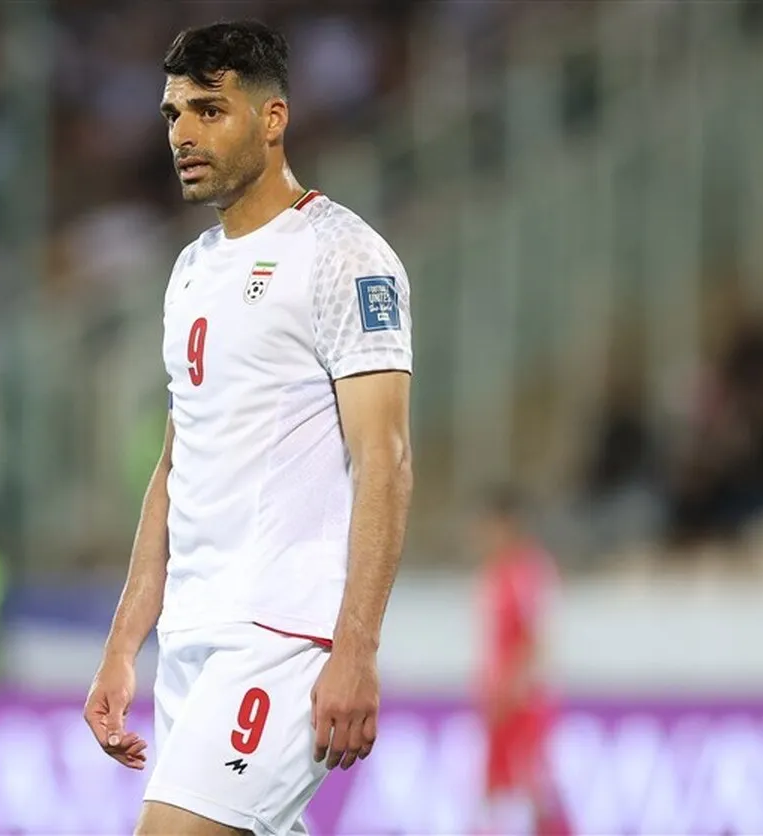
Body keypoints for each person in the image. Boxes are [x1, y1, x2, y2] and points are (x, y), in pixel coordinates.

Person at [82, 19, 414, 836]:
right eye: (173, 115)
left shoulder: (343, 256)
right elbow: (176, 465)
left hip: (282, 637)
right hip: (193, 640)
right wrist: (124, 643)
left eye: (209, 111)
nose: (183, 135)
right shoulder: (192, 270)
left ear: (272, 119)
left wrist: (356, 649)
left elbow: (385, 460)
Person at [472, 487, 569, 836]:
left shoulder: (528, 570)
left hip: (523, 701)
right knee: (498, 787)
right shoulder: (494, 572)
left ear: (508, 525)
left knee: (530, 785)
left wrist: (512, 687)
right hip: (501, 699)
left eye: (490, 526)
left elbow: (536, 636)